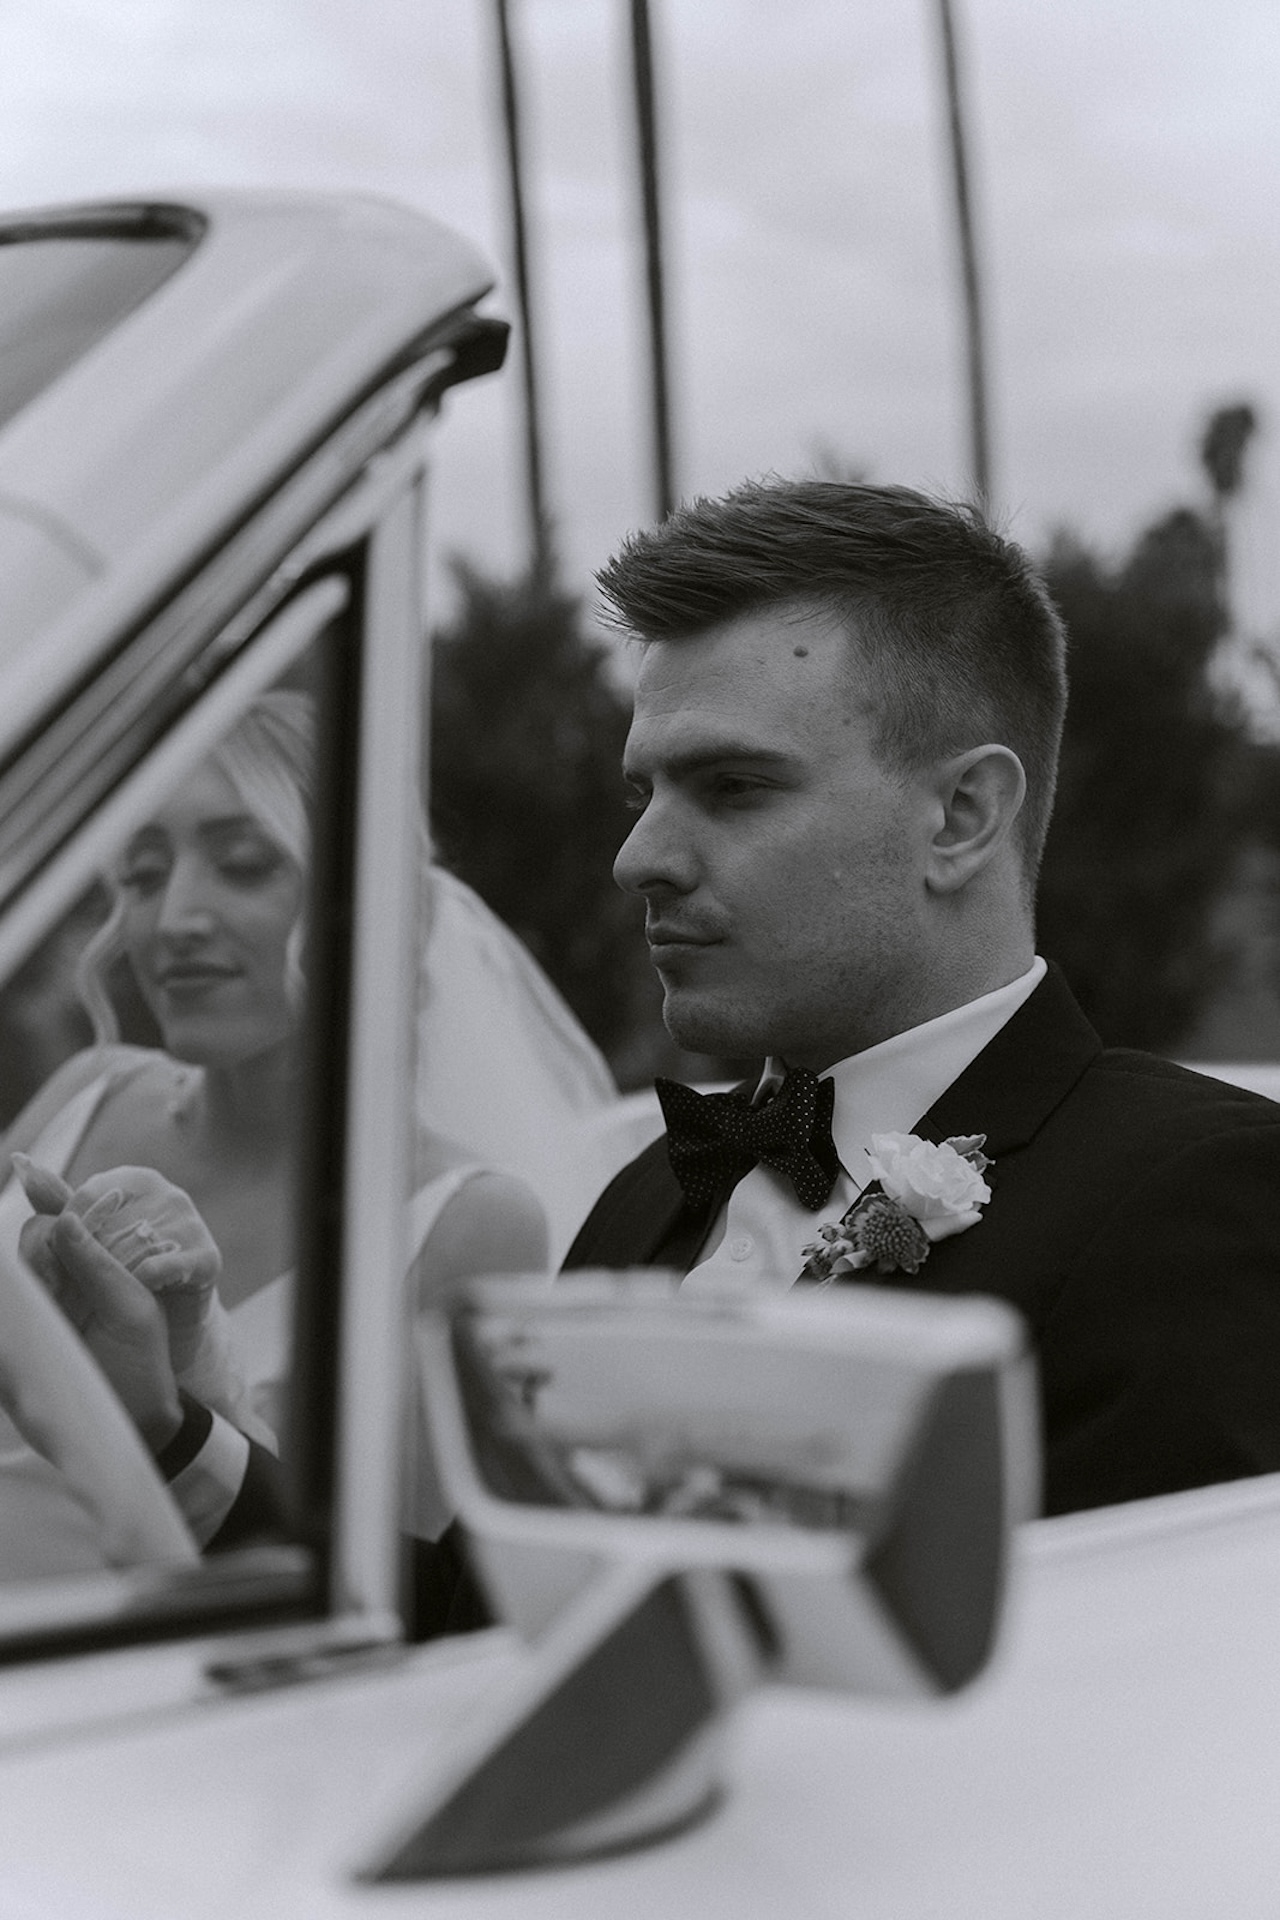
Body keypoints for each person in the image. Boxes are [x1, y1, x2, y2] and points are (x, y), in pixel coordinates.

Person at [564, 477, 1280, 1518]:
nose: (639, 858)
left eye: (732, 788)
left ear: (960, 816)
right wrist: (227, 1459)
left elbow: (1146, 1664)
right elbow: (469, 1626)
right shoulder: (647, 1192)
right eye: (644, 794)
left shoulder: (1184, 1202)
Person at [0, 688, 547, 1570]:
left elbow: (394, 1589)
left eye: (244, 863)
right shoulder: (82, 1095)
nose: (173, 918)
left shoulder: (470, 1223)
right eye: (143, 874)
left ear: (368, 897)